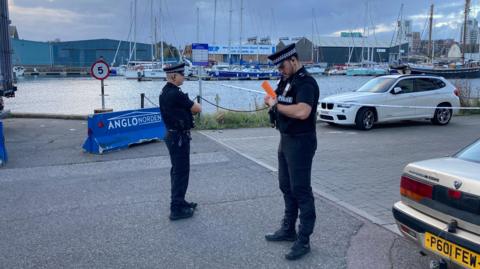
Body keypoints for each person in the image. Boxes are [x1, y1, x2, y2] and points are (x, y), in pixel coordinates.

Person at [264, 44, 320, 260]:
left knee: (301, 190)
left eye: (282, 66)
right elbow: (278, 99)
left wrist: (276, 106)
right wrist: (271, 101)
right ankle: (288, 230)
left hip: (301, 142)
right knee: (286, 186)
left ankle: (304, 239)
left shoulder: (306, 82)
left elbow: (303, 111)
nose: (280, 70)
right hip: (286, 139)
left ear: (293, 60)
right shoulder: (286, 80)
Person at [159, 63, 202, 220]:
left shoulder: (165, 92)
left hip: (172, 135)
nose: (183, 76)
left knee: (177, 170)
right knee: (181, 172)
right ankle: (176, 208)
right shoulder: (176, 94)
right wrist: (191, 107)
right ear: (173, 76)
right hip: (179, 138)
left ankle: (180, 201)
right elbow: (197, 108)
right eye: (181, 74)